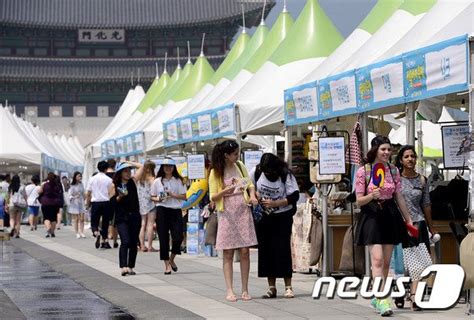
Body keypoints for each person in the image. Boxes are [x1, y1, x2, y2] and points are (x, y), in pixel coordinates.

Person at [355, 136, 414, 316]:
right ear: (375, 150)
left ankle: (380, 295)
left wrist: (408, 220)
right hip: (372, 215)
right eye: (383, 149)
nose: (387, 153)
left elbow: (399, 197)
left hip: (390, 214)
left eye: (389, 149)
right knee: (378, 259)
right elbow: (358, 201)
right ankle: (382, 300)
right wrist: (371, 196)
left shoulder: (393, 170)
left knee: (386, 262)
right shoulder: (363, 171)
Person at [209, 140, 258, 302]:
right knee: (228, 252)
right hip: (227, 212)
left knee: (245, 251)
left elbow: (249, 184)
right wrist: (225, 191)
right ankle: (229, 289)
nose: (237, 156)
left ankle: (245, 289)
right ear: (226, 155)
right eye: (235, 154)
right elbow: (213, 196)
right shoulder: (216, 172)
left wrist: (252, 195)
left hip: (243, 209)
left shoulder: (241, 166)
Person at [251, 153, 299, 299]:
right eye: (265, 171)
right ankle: (271, 287)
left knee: (283, 249)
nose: (268, 174)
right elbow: (250, 186)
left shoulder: (286, 175)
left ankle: (288, 286)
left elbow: (294, 196)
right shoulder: (257, 171)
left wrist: (276, 203)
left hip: (282, 216)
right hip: (264, 217)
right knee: (266, 251)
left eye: (270, 172)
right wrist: (255, 196)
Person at [395, 145, 437, 311]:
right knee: (401, 263)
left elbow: (426, 204)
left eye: (412, 156)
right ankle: (399, 291)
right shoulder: (396, 179)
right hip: (400, 224)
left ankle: (414, 297)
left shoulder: (422, 180)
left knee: (419, 262)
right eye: (406, 157)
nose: (410, 159)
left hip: (418, 224)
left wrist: (431, 227)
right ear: (401, 160)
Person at [151, 157, 187, 275]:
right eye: (165, 166)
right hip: (162, 209)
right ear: (162, 167)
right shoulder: (157, 181)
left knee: (178, 237)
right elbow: (152, 196)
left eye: (170, 166)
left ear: (173, 168)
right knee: (163, 238)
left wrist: (173, 195)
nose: (168, 168)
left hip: (175, 210)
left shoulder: (178, 180)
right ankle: (167, 265)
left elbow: (185, 196)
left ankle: (172, 258)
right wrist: (159, 199)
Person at [111, 161, 144, 276]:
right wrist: (120, 196)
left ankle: (130, 266)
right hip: (122, 217)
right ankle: (123, 266)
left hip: (134, 216)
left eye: (129, 170)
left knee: (133, 242)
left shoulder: (133, 181)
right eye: (125, 170)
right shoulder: (114, 185)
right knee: (125, 241)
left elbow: (141, 166)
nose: (128, 173)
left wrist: (127, 162)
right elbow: (112, 202)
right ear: (120, 173)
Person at [86, 160, 114, 249]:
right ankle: (105, 240)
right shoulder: (109, 180)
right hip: (106, 202)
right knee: (105, 222)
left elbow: (88, 193)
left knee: (94, 222)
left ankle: (96, 233)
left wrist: (88, 203)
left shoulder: (92, 179)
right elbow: (111, 192)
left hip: (96, 202)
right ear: (106, 169)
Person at [137, 160, 157, 252]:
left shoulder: (140, 178)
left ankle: (142, 245)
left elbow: (140, 166)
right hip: (151, 203)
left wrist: (129, 162)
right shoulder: (153, 178)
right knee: (150, 225)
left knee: (142, 225)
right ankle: (149, 246)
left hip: (141, 203)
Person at [38, 172, 64, 238]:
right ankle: (52, 232)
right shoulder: (57, 185)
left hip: (45, 202)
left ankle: (48, 228)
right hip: (55, 203)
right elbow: (59, 193)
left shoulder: (44, 184)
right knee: (53, 218)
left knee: (46, 217)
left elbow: (39, 192)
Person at [69, 172, 86, 239]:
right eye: (79, 176)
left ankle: (81, 232)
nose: (80, 177)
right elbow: (70, 195)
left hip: (81, 202)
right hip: (74, 202)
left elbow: (83, 192)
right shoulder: (72, 185)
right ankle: (77, 232)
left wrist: (85, 199)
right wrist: (74, 197)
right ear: (75, 177)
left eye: (81, 176)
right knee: (76, 219)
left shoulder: (81, 184)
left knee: (82, 218)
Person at [106, 159, 119, 248]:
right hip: (115, 200)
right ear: (115, 165)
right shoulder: (117, 175)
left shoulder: (103, 176)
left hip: (104, 199)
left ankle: (105, 237)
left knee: (106, 220)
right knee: (115, 221)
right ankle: (115, 240)